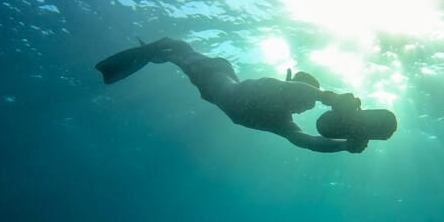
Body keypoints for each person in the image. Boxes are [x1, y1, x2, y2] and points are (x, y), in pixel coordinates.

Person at [95, 37, 373, 153]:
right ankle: (155, 50)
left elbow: (307, 141)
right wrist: (331, 98)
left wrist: (345, 146)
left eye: (310, 105)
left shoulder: (281, 122)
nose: (306, 108)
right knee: (175, 48)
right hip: (213, 72)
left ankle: (155, 53)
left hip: (212, 87)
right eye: (308, 103)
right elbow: (298, 90)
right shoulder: (275, 88)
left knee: (174, 54)